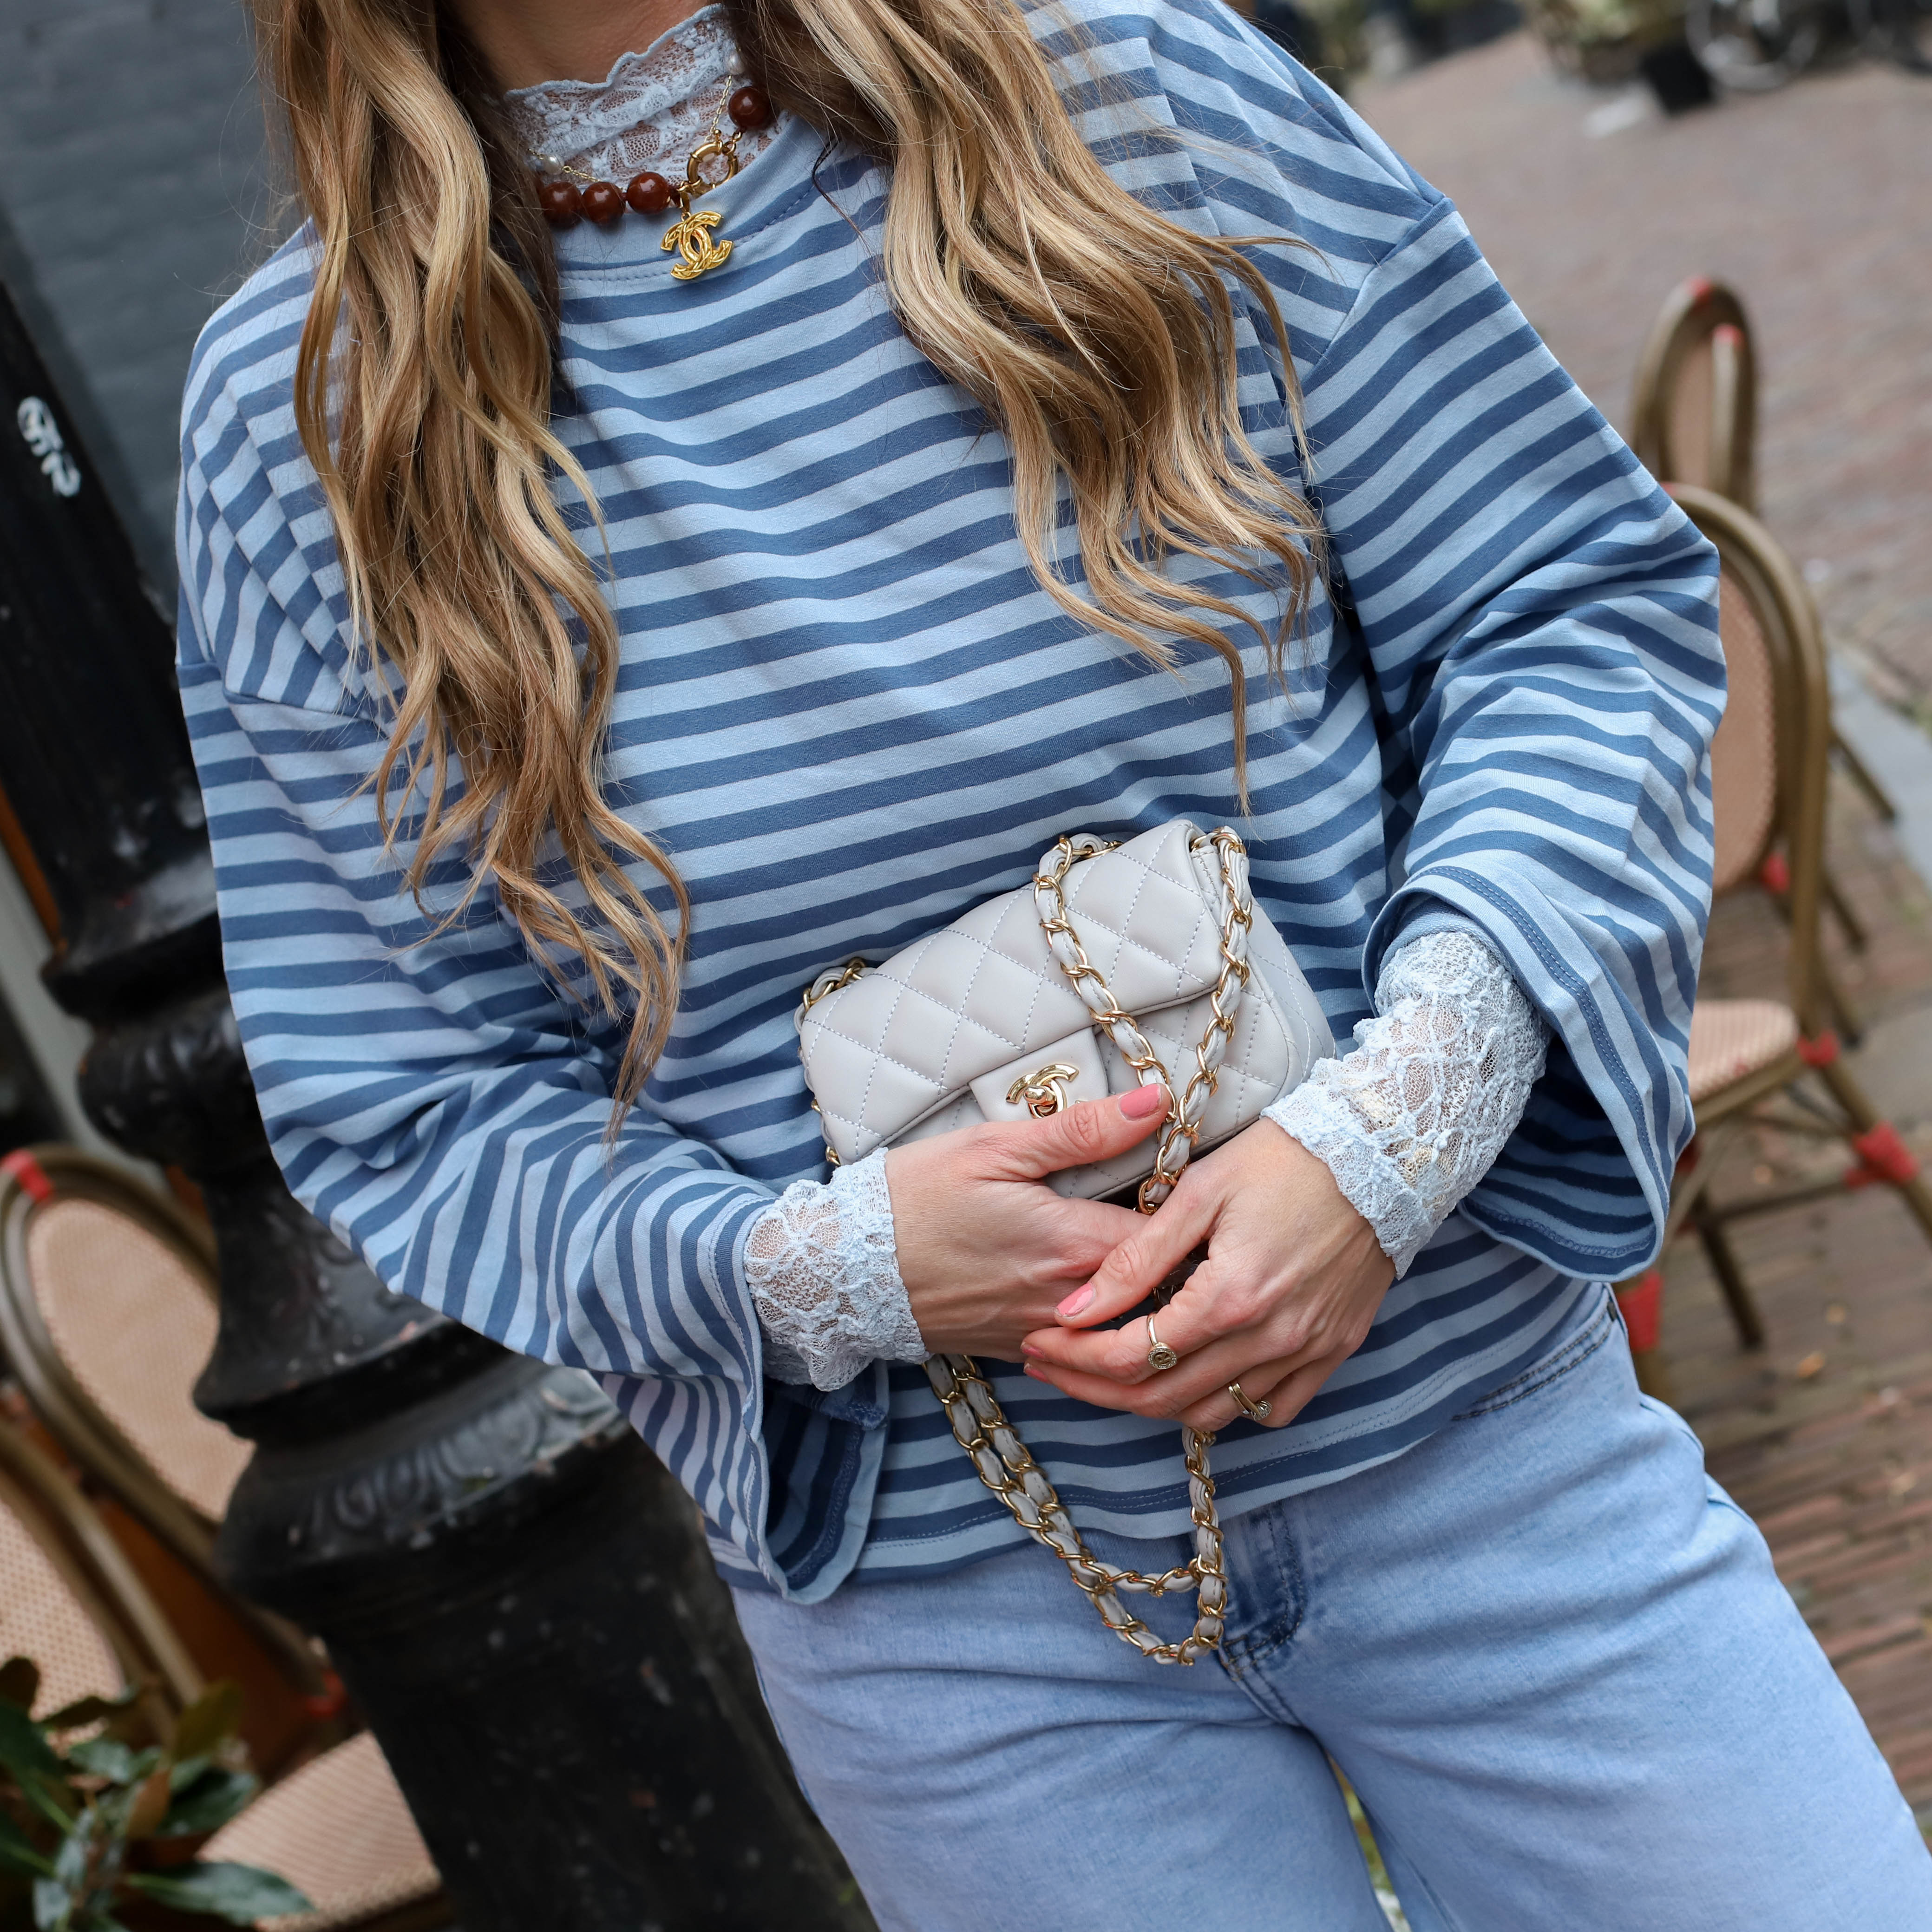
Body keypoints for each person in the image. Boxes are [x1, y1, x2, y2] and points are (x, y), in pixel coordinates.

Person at [179, 0, 1931, 1923]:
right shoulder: (306, 411)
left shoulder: (1137, 91)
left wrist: (1399, 1126)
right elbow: (407, 1094)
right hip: (959, 1642)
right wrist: (817, 1270)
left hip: (1472, 1445)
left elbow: (1563, 611)